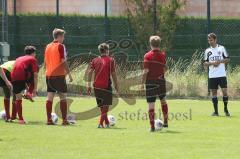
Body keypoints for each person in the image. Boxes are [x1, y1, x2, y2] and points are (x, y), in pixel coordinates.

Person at [44, 28, 73, 125]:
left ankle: (49, 120)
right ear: (59, 36)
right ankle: (64, 120)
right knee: (63, 97)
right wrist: (69, 73)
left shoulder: (47, 46)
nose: (64, 38)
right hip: (59, 75)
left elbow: (45, 62)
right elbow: (63, 61)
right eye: (63, 36)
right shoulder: (61, 46)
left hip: (49, 75)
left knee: (49, 97)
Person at [87, 43, 119, 128]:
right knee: (106, 105)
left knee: (102, 106)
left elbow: (90, 72)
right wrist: (116, 84)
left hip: (96, 85)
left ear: (100, 51)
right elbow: (113, 73)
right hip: (106, 85)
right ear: (107, 51)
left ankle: (107, 123)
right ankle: (100, 123)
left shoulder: (94, 60)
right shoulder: (111, 60)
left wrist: (88, 85)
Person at [141, 35, 169, 132]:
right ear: (159, 44)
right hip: (161, 81)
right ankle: (165, 121)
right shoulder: (162, 55)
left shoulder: (147, 56)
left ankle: (152, 126)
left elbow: (145, 71)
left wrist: (141, 83)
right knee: (163, 100)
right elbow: (165, 68)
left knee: (151, 104)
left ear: (150, 44)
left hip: (150, 82)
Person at [203, 33, 230, 117]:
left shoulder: (221, 48)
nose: (210, 42)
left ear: (215, 40)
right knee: (214, 93)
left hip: (222, 75)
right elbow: (205, 63)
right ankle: (216, 112)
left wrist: (219, 62)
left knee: (224, 92)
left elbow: (228, 59)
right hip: (212, 76)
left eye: (211, 40)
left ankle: (225, 109)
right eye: (208, 40)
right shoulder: (207, 51)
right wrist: (211, 63)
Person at [11, 46, 39, 124]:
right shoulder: (32, 59)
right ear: (33, 53)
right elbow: (35, 75)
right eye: (35, 53)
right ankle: (28, 93)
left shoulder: (18, 58)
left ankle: (21, 119)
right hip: (23, 76)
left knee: (18, 98)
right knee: (35, 74)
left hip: (13, 77)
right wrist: (34, 89)